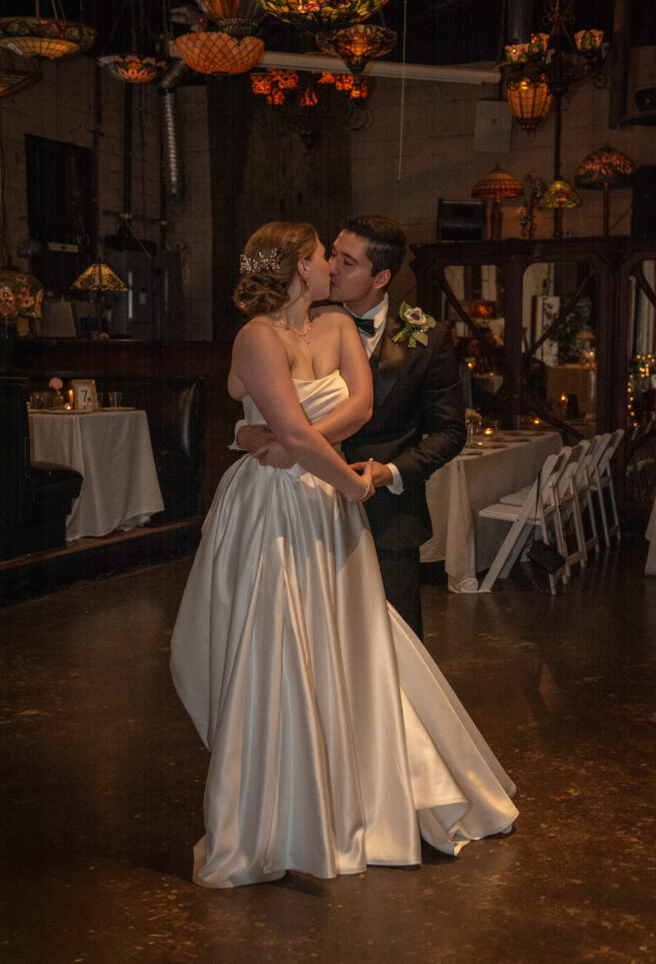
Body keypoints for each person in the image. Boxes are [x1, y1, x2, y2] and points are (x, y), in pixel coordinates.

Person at [171, 221, 517, 890]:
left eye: (341, 255)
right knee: (277, 644)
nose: (332, 262)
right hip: (276, 507)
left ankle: (357, 790)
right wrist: (298, 452)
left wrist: (287, 444)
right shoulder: (256, 336)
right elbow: (276, 424)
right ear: (300, 267)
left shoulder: (336, 327)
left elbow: (357, 408)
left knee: (348, 644)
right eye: (324, 254)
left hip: (323, 504)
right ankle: (277, 810)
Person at [238, 214, 466, 639]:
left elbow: (451, 432)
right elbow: (267, 403)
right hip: (308, 509)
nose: (332, 268)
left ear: (381, 276)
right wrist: (244, 433)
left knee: (393, 644)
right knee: (315, 640)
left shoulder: (426, 337)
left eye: (348, 261)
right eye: (333, 256)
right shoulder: (298, 324)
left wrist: (392, 472)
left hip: (388, 513)